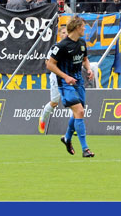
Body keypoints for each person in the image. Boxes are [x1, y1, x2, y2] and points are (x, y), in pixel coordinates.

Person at [45, 17, 95, 157]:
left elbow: (85, 60)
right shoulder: (61, 46)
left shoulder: (82, 43)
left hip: (79, 82)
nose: (85, 29)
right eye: (83, 27)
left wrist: (89, 69)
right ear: (77, 27)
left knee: (78, 112)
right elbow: (50, 64)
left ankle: (67, 137)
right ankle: (85, 149)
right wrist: (65, 77)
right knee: (79, 111)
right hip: (65, 84)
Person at [38, 24, 68, 134]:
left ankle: (74, 126)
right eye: (63, 33)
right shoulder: (55, 48)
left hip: (68, 77)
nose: (66, 34)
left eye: (67, 32)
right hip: (56, 77)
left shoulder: (72, 47)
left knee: (71, 101)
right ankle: (42, 119)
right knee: (54, 102)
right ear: (59, 35)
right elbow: (47, 62)